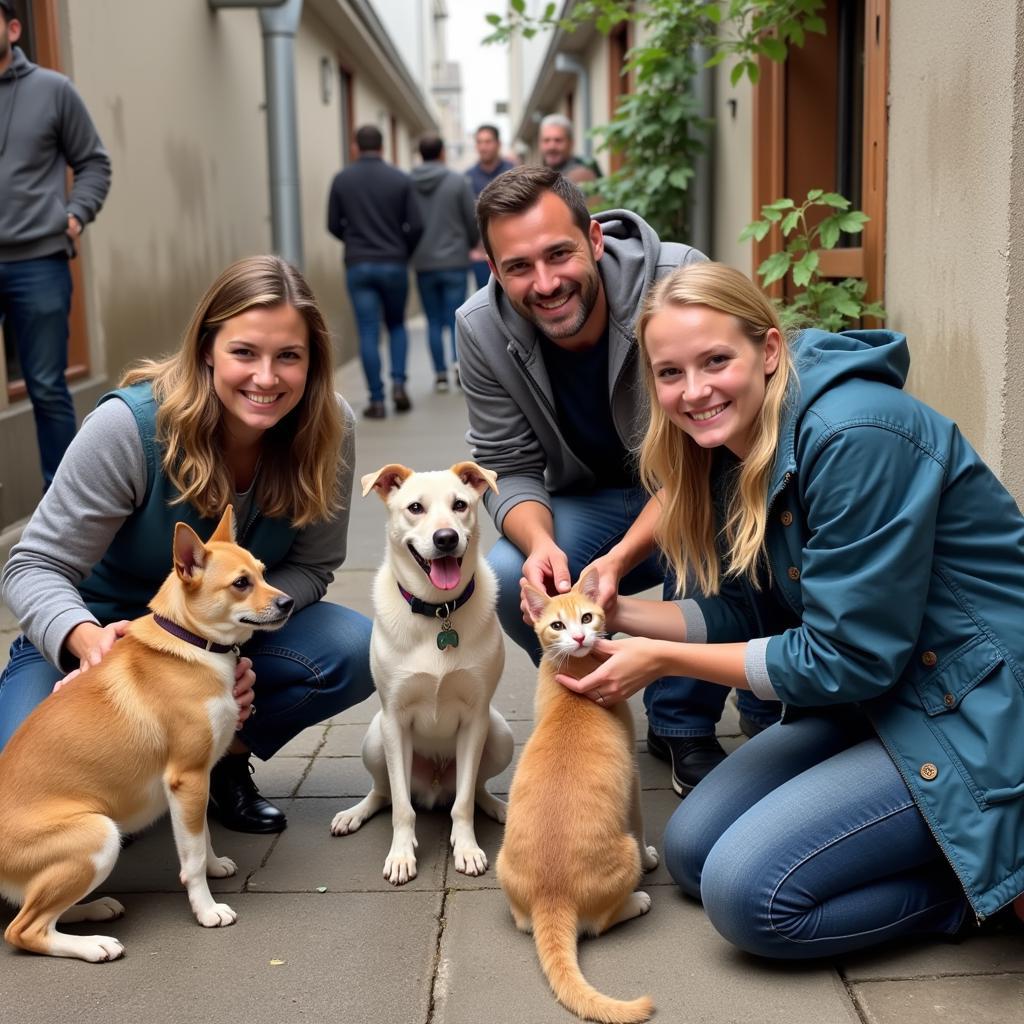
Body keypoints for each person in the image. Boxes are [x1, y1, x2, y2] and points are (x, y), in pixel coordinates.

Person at [558, 260, 1024, 957]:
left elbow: (847, 657)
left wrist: (660, 663)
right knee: (689, 850)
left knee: (752, 898)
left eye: (717, 360)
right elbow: (758, 621)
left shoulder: (853, 436)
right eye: (670, 373)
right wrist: (619, 615)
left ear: (769, 350)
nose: (694, 392)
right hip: (880, 699)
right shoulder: (735, 445)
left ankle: (977, 887)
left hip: (971, 712)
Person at [0, 255, 375, 835]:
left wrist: (232, 645)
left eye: (289, 356)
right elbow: (32, 565)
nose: (267, 377)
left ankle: (215, 762)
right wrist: (86, 641)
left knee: (353, 647)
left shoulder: (331, 427)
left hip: (222, 623)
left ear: (313, 361)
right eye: (244, 352)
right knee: (24, 813)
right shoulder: (130, 429)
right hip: (93, 638)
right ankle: (139, 785)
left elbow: (314, 566)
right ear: (206, 349)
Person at [456, 166, 781, 795]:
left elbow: (709, 451)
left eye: (559, 254)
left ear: (596, 239)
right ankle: (605, 691)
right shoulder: (479, 327)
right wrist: (540, 544)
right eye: (519, 266)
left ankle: (682, 720)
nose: (545, 283)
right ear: (495, 271)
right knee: (502, 574)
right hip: (587, 497)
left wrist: (621, 556)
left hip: (694, 480)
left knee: (699, 530)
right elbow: (509, 463)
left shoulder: (674, 280)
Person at [0, 0, 111, 488]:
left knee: (46, 388)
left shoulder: (52, 90)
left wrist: (74, 215)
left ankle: (64, 507)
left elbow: (94, 162)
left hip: (37, 260)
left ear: (14, 28)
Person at [327, 124, 423, 419]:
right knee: (396, 325)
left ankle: (377, 400)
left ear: (356, 146)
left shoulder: (342, 180)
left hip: (359, 263)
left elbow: (332, 224)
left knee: (368, 329)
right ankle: (399, 385)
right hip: (394, 263)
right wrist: (401, 249)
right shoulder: (400, 179)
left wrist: (356, 242)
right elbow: (417, 225)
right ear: (382, 147)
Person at [411, 134, 479, 392]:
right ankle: (459, 367)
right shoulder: (457, 181)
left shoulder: (410, 182)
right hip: (454, 260)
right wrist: (471, 243)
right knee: (456, 319)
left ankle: (439, 374)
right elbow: (471, 219)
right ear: (442, 153)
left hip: (424, 261)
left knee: (433, 321)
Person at [465, 124, 515, 290]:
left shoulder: (512, 173)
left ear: (498, 144)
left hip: (511, 249)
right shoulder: (467, 177)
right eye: (479, 142)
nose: (483, 147)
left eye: (488, 142)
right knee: (485, 303)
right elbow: (463, 216)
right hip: (480, 255)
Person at [537, 114, 600, 180]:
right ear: (539, 143)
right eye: (546, 140)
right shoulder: (537, 175)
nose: (551, 146)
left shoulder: (586, 170)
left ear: (571, 143)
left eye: (558, 140)